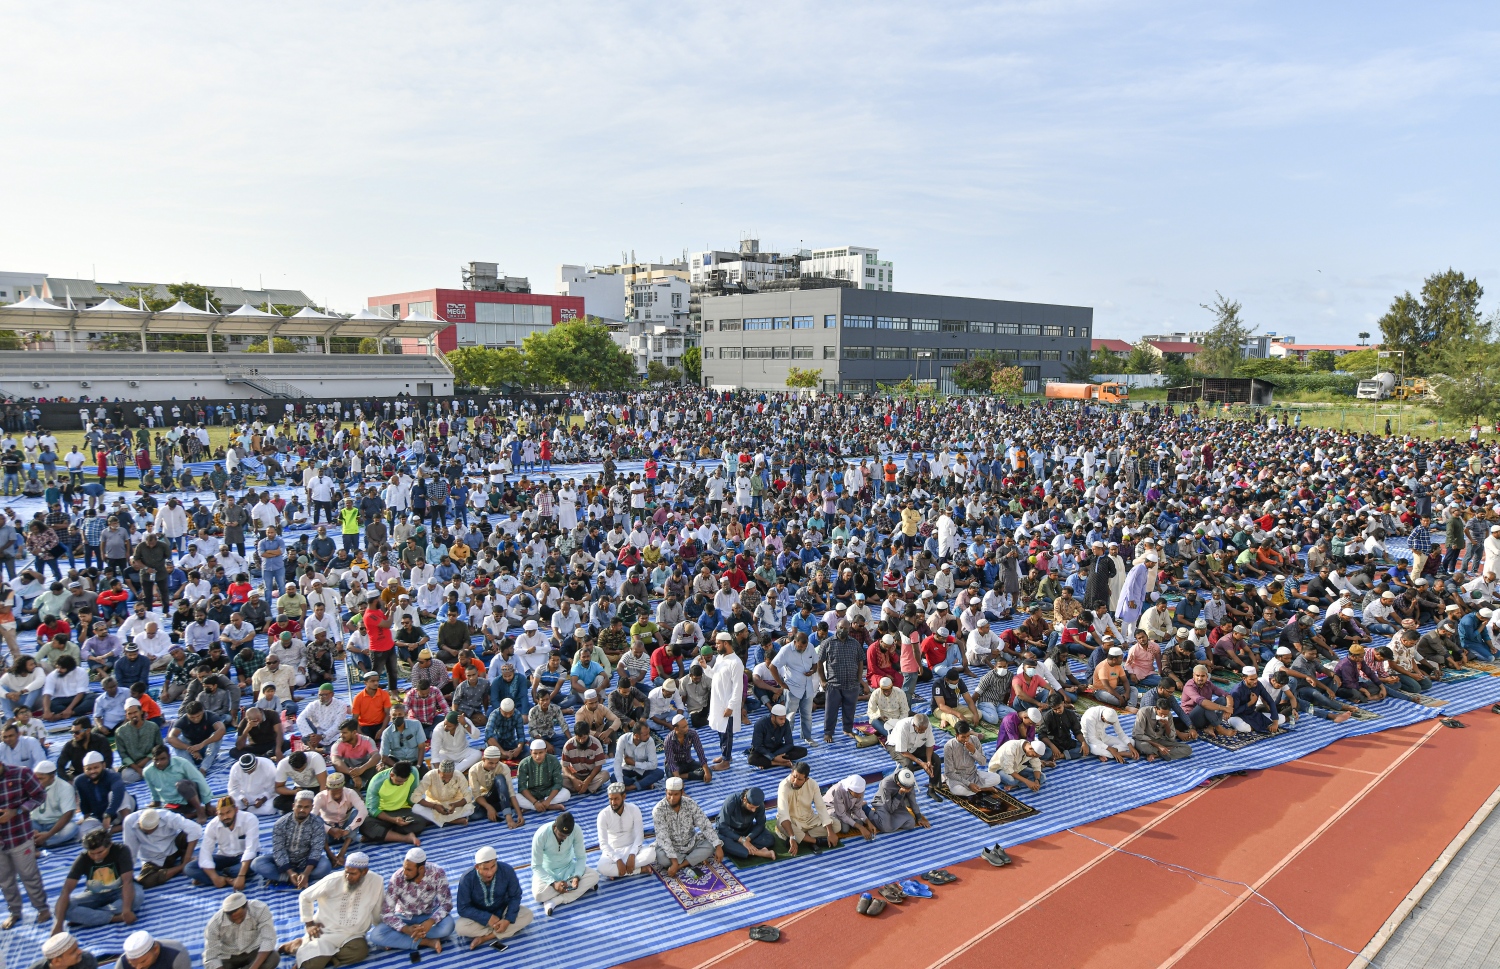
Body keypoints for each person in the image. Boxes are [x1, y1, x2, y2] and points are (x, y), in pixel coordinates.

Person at [287, 853, 384, 969]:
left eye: (353, 873)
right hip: (326, 932)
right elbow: (305, 896)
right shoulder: (333, 880)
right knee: (311, 966)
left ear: (364, 872)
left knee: (361, 952)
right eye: (346, 872)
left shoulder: (377, 881)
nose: (348, 876)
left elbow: (378, 909)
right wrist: (309, 924)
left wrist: (382, 932)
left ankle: (311, 952)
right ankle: (295, 947)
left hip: (352, 934)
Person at [366, 846, 454, 956]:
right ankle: (427, 941)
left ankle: (399, 940)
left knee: (448, 927)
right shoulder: (397, 878)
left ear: (421, 869)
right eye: (404, 868)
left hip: (429, 913)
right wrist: (405, 929)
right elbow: (386, 913)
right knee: (376, 935)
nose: (405, 873)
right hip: (404, 916)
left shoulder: (437, 873)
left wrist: (430, 921)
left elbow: (447, 904)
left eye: (409, 870)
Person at [53, 827, 138, 929]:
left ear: (109, 845)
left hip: (120, 890)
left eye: (100, 852)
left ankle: (87, 917)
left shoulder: (121, 850)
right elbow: (66, 890)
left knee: (137, 898)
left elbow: (127, 881)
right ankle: (115, 918)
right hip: (95, 894)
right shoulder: (83, 858)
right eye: (92, 853)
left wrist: (127, 910)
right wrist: (58, 925)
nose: (96, 857)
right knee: (64, 909)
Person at [454, 845, 531, 951]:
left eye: (493, 867)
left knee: (528, 915)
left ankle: (486, 937)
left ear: (496, 862)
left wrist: (508, 919)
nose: (490, 872)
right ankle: (501, 930)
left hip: (503, 911)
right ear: (477, 867)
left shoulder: (507, 870)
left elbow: (515, 896)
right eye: (485, 869)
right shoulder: (467, 878)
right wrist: (487, 917)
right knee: (460, 928)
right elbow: (462, 908)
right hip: (479, 917)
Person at [254, 791, 332, 887]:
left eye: (306, 807)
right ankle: (294, 878)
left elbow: (316, 849)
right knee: (257, 863)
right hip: (284, 862)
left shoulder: (317, 823)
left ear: (311, 808)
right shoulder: (281, 823)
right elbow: (279, 850)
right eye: (299, 806)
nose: (302, 810)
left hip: (306, 861)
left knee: (325, 867)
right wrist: (290, 872)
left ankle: (289, 877)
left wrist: (306, 873)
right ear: (293, 806)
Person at [530, 811, 598, 916]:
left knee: (594, 876)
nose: (564, 838)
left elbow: (581, 857)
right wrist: (553, 883)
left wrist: (577, 876)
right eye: (561, 835)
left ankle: (556, 901)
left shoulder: (576, 830)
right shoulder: (541, 834)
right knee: (538, 895)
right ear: (555, 827)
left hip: (568, 867)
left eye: (567, 835)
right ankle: (573, 888)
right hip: (548, 871)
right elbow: (536, 866)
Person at [652, 776, 723, 875]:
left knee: (711, 845)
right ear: (666, 792)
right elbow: (663, 838)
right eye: (669, 794)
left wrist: (718, 847)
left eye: (676, 794)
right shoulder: (658, 810)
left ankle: (682, 864)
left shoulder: (690, 803)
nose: (672, 798)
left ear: (682, 792)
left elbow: (705, 824)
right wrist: (673, 861)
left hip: (690, 843)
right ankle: (693, 859)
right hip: (671, 846)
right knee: (663, 859)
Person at [188, 796, 258, 889]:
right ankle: (228, 879)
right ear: (217, 813)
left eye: (228, 812)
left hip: (244, 858)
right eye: (221, 814)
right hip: (223, 857)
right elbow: (205, 854)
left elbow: (250, 850)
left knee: (253, 865)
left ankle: (212, 876)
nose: (225, 817)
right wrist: (214, 877)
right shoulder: (212, 826)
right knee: (190, 868)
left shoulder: (249, 819)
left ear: (236, 810)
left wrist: (241, 876)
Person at [121, 808, 201, 888]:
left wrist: (187, 859)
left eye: (151, 830)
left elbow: (195, 828)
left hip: (174, 848)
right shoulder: (129, 822)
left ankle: (183, 863)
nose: (148, 833)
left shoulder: (167, 816)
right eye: (145, 831)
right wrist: (128, 875)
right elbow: (130, 852)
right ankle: (180, 867)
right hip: (153, 859)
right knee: (144, 881)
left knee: (188, 833)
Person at [595, 782, 658, 878]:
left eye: (616, 799)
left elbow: (639, 836)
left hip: (632, 848)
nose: (613, 803)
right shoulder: (603, 815)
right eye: (610, 799)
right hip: (613, 850)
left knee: (651, 854)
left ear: (624, 796)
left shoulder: (634, 809)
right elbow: (603, 843)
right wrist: (617, 860)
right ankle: (640, 870)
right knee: (601, 867)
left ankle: (616, 872)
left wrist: (632, 854)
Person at [360, 761, 429, 846]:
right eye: (399, 781)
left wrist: (423, 809)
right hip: (382, 813)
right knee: (365, 825)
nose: (402, 784)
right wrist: (393, 820)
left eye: (405, 781)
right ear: (392, 775)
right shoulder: (377, 782)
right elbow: (372, 809)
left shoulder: (413, 772)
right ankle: (405, 838)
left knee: (420, 821)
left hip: (402, 810)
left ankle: (384, 834)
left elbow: (412, 797)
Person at [202, 892, 278, 969]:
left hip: (253, 950)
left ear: (246, 907)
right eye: (234, 919)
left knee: (273, 958)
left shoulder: (259, 909)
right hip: (227, 956)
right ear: (226, 914)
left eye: (241, 917)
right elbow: (211, 957)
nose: (238, 921)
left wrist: (254, 967)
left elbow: (268, 939)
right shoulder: (214, 924)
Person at [775, 762, 837, 853]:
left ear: (806, 779)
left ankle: (803, 838)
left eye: (799, 779)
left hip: (809, 819)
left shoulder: (813, 784)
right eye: (794, 776)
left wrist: (830, 832)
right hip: (792, 822)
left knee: (836, 825)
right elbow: (783, 814)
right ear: (791, 772)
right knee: (781, 823)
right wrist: (792, 836)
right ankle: (816, 841)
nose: (795, 781)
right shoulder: (784, 785)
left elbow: (821, 807)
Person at [142, 745, 211, 821]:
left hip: (191, 798)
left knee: (182, 785)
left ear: (169, 756)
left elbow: (200, 780)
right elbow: (153, 790)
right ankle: (195, 813)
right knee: (166, 820)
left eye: (163, 759)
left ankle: (200, 811)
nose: (159, 763)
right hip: (173, 804)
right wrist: (156, 802)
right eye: (156, 760)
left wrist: (208, 804)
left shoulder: (182, 763)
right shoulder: (147, 772)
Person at [707, 632, 744, 768]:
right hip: (717, 701)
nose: (716, 646)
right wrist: (705, 667)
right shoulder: (720, 658)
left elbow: (737, 688)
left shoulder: (736, 662)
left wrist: (731, 707)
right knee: (720, 729)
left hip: (727, 703)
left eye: (718, 643)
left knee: (727, 732)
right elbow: (713, 674)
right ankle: (724, 755)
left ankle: (726, 761)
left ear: (726, 643)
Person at [312, 773, 366, 866]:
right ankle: (331, 856)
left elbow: (363, 811)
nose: (337, 794)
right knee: (316, 820)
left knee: (357, 814)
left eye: (339, 791)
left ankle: (342, 853)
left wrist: (349, 828)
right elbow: (311, 817)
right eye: (334, 791)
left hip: (345, 831)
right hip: (328, 833)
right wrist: (329, 830)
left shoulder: (350, 793)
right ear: (327, 788)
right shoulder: (320, 797)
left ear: (343, 787)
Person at [74, 752, 133, 835]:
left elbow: (118, 793)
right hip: (100, 817)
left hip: (120, 811)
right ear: (84, 769)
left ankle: (127, 822)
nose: (92, 771)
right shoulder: (80, 781)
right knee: (84, 832)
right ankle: (118, 828)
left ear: (103, 765)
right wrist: (86, 818)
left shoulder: (113, 776)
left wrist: (108, 814)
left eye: (96, 767)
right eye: (89, 769)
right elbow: (84, 802)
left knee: (114, 794)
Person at [468, 747, 524, 829]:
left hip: (503, 794)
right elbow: (477, 795)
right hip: (486, 797)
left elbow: (511, 792)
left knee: (500, 778)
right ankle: (505, 805)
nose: (494, 766)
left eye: (496, 763)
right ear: (483, 759)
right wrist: (489, 807)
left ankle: (507, 813)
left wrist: (519, 815)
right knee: (474, 815)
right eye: (491, 763)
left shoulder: (503, 768)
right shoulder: (474, 770)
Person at [715, 786, 777, 861]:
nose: (754, 810)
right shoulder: (732, 800)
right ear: (744, 800)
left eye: (756, 808)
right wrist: (741, 840)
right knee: (721, 841)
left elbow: (760, 824)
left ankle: (741, 849)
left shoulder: (759, 804)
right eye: (751, 807)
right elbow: (722, 826)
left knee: (769, 839)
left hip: (746, 830)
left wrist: (748, 838)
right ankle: (760, 852)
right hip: (729, 832)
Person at [942, 721, 1001, 796]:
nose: (966, 739)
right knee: (959, 791)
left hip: (973, 775)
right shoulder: (949, 746)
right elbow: (949, 773)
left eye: (968, 736)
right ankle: (983, 789)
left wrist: (974, 751)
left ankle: (973, 789)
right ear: (956, 735)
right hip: (957, 778)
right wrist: (969, 784)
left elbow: (983, 762)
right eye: (963, 737)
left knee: (997, 778)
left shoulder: (975, 740)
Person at [411, 759, 474, 828]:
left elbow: (468, 795)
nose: (447, 780)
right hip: (433, 804)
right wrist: (435, 806)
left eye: (450, 778)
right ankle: (452, 821)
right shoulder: (430, 775)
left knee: (469, 809)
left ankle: (436, 820)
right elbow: (415, 796)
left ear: (453, 772)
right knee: (416, 808)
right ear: (438, 771)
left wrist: (455, 805)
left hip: (453, 804)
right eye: (443, 777)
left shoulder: (458, 775)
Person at [30, 761, 79, 848]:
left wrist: (48, 834)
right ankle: (39, 840)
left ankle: (40, 842)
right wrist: (33, 830)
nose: (37, 781)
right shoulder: (30, 785)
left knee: (72, 828)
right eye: (36, 778)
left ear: (52, 777)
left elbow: (67, 815)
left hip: (56, 824)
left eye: (41, 778)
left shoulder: (65, 787)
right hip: (35, 823)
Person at [1133, 696, 1194, 761]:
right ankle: (1163, 751)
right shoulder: (1144, 712)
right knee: (1144, 747)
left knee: (1187, 749)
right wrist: (1158, 746)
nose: (1163, 716)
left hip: (1160, 740)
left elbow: (1171, 738)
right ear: (1156, 708)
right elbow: (1138, 734)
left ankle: (1156, 754)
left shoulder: (1169, 715)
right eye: (1161, 714)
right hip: (1146, 740)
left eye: (1165, 715)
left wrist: (1167, 725)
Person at [747, 703, 807, 769]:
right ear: (773, 716)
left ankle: (768, 763)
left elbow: (789, 744)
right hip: (764, 751)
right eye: (781, 719)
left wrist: (775, 755)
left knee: (803, 751)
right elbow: (757, 746)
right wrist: (772, 757)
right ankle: (780, 763)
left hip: (778, 749)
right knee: (752, 759)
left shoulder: (785, 723)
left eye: (784, 718)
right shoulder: (760, 724)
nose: (783, 721)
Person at [870, 768, 931, 833]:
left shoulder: (909, 780)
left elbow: (912, 800)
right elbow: (889, 809)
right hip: (882, 804)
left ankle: (887, 820)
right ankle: (868, 811)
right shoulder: (886, 784)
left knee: (910, 823)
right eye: (907, 789)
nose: (909, 790)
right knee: (886, 828)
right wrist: (900, 793)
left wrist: (919, 818)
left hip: (898, 804)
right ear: (899, 784)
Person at [516, 739, 569, 811]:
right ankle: (548, 806)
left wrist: (548, 800)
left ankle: (535, 806)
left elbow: (558, 783)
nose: (538, 756)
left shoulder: (553, 760)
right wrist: (535, 802)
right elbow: (522, 787)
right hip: (532, 793)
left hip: (548, 791)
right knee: (516, 797)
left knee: (566, 794)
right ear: (531, 752)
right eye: (535, 753)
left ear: (546, 751)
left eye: (541, 752)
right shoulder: (524, 764)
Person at [613, 720, 664, 792]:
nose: (648, 736)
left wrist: (634, 763)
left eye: (648, 733)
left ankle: (631, 787)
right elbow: (617, 762)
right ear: (637, 736)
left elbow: (653, 764)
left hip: (643, 770)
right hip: (627, 769)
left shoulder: (650, 741)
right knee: (614, 777)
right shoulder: (623, 739)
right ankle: (643, 783)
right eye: (645, 734)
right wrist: (620, 783)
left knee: (659, 773)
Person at [824, 775, 878, 841]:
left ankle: (856, 814)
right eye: (857, 794)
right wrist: (860, 828)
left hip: (847, 808)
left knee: (859, 823)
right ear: (849, 790)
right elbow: (842, 815)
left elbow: (857, 808)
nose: (859, 796)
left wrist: (868, 822)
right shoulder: (839, 790)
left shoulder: (860, 791)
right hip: (832, 808)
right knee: (845, 829)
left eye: (861, 794)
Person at [663, 714, 713, 784]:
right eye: (684, 727)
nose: (687, 728)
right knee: (671, 775)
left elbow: (700, 753)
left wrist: (707, 772)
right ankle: (681, 776)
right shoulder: (668, 740)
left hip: (688, 762)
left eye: (687, 725)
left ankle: (683, 776)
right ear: (676, 729)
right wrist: (678, 781)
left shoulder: (692, 733)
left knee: (708, 771)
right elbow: (671, 762)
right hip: (675, 764)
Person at [115, 931, 189, 969]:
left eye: (143, 961)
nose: (138, 967)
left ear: (155, 949)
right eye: (132, 964)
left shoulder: (177, 955)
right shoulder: (123, 963)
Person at [32, 932, 98, 969]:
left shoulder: (86, 961)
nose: (80, 951)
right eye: (73, 952)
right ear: (56, 961)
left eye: (77, 948)